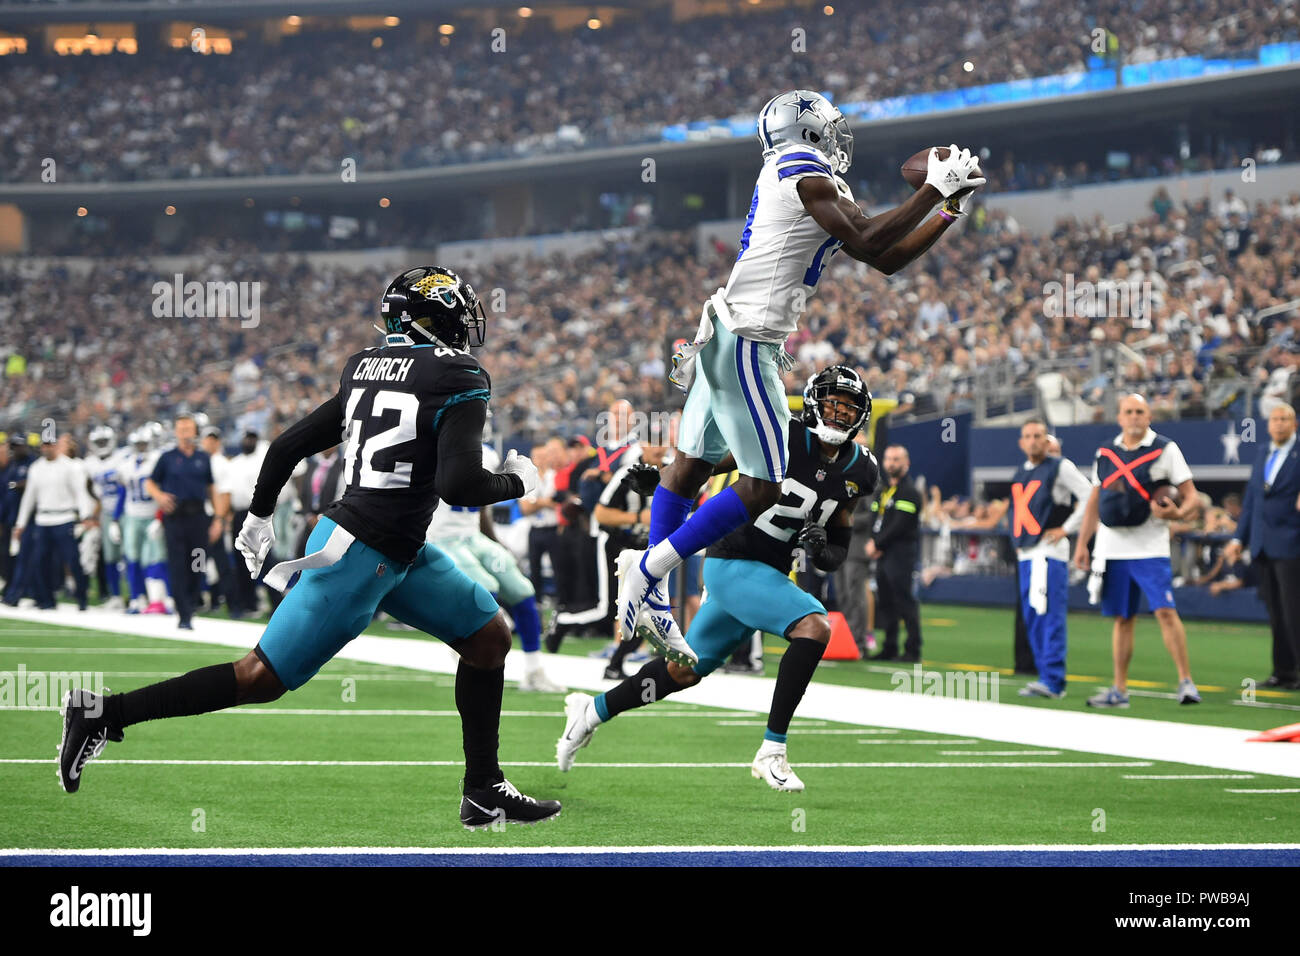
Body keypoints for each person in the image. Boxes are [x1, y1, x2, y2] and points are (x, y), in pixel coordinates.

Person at [58, 266, 559, 828]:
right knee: (259, 678)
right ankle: (102, 713)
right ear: (434, 317)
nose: (466, 328)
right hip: (360, 555)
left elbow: (288, 444)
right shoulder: (459, 375)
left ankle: (483, 788)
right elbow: (460, 487)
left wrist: (258, 516)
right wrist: (520, 479)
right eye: (458, 315)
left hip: (397, 550)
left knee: (488, 637)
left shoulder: (365, 366)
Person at [617, 90, 984, 664]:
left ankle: (653, 594)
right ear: (809, 131)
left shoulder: (799, 175)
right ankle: (649, 570)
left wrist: (945, 207)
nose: (839, 138)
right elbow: (869, 240)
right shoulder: (805, 173)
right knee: (764, 482)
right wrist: (934, 188)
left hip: (724, 331)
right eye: (831, 128)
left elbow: (885, 257)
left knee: (687, 467)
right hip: (749, 341)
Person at [559, 365, 878, 791]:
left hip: (766, 577)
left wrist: (821, 546)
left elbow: (837, 552)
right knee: (814, 626)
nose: (839, 414)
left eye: (848, 408)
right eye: (833, 404)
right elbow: (706, 466)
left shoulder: (860, 471)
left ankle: (592, 710)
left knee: (683, 671)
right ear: (815, 402)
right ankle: (773, 750)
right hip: (733, 563)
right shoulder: (783, 434)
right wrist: (664, 483)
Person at [1073, 394, 1201, 707]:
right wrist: (1082, 544)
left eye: (1140, 412)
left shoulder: (1166, 449)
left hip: (1150, 545)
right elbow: (1094, 501)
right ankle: (1119, 690)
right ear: (1119, 417)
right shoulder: (1105, 451)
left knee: (1166, 612)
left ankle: (1186, 682)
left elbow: (1192, 497)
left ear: (1149, 416)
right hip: (1112, 546)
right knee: (1122, 618)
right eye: (1128, 411)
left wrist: (1177, 515)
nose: (1134, 417)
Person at [1007, 420, 1092, 699]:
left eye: (1038, 436)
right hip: (1027, 552)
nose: (1033, 441)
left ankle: (1053, 680)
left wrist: (1067, 529)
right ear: (1021, 443)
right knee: (1032, 616)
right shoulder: (1021, 471)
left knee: (1049, 614)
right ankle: (1044, 675)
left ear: (1047, 441)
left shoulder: (1059, 466)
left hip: (1048, 552)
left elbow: (1090, 494)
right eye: (1028, 436)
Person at [1223, 403, 1300, 690]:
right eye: (1275, 419)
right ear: (1268, 425)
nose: (1279, 424)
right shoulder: (1262, 453)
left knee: (1295, 613)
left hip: (1293, 545)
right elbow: (1253, 501)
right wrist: (1237, 540)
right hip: (1263, 546)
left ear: (1295, 424)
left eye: (1285, 419)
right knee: (1276, 613)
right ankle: (1284, 672)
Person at [145, 415, 226, 630]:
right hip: (175, 518)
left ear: (195, 431)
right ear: (175, 432)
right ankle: (184, 613)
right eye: (181, 429)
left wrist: (218, 519)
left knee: (197, 564)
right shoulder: (167, 457)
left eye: (188, 429)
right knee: (177, 565)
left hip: (198, 518)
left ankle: (191, 602)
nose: (184, 433)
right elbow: (150, 482)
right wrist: (160, 497)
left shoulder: (203, 458)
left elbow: (212, 488)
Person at [9, 434, 96, 610]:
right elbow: (29, 498)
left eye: (50, 445)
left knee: (72, 561)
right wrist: (21, 524)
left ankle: (81, 598)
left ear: (55, 446)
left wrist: (86, 516)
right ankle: (47, 600)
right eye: (44, 445)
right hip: (43, 519)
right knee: (41, 561)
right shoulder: (36, 468)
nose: (47, 448)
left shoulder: (69, 466)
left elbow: (80, 492)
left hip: (65, 518)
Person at [867, 445, 923, 662]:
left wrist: (877, 543)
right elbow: (875, 519)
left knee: (904, 602)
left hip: (900, 554)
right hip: (882, 555)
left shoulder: (910, 492)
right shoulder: (881, 490)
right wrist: (875, 542)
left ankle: (913, 649)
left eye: (896, 459)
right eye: (888, 459)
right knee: (886, 603)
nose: (891, 463)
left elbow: (900, 524)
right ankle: (889, 647)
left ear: (906, 463)